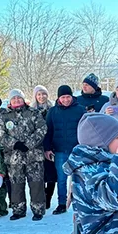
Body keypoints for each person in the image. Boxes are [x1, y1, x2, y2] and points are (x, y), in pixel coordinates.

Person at [0, 89, 47, 221]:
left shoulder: (34, 113)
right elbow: (0, 134)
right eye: (14, 99)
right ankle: (18, 210)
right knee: (16, 183)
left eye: (19, 98)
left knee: (36, 183)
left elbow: (42, 129)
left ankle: (38, 209)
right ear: (10, 101)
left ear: (23, 99)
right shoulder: (4, 116)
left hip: (33, 155)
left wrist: (29, 144)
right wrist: (15, 144)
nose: (17, 100)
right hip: (14, 156)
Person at [44, 85, 87, 215]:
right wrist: (47, 148)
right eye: (63, 97)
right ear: (59, 98)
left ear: (72, 96)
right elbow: (48, 131)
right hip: (59, 149)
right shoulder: (52, 112)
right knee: (61, 179)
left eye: (68, 97)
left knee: (80, 178)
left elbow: (87, 128)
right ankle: (62, 203)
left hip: (77, 149)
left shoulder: (80, 110)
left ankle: (82, 202)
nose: (66, 100)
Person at [32, 85, 58, 209]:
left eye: (44, 94)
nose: (41, 97)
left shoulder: (53, 109)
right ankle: (42, 197)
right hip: (36, 146)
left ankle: (48, 198)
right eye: (39, 94)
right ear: (35, 96)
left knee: (51, 174)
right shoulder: (32, 111)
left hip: (51, 145)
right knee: (39, 174)